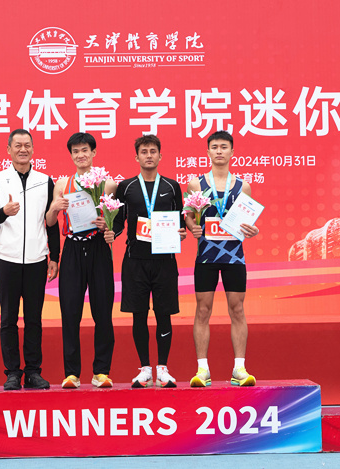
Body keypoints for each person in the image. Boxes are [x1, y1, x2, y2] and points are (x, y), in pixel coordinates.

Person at [105, 134, 186, 388]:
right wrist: (112, 232)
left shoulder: (172, 186)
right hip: (135, 261)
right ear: (136, 157)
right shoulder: (126, 187)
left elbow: (180, 221)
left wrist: (182, 232)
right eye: (144, 152)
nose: (149, 155)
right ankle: (145, 369)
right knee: (138, 315)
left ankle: (162, 368)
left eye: (153, 151)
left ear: (160, 156)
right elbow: (119, 221)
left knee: (164, 314)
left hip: (165, 261)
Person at [0, 129, 59, 391]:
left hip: (37, 260)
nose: (23, 149)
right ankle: (13, 373)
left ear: (33, 149)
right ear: (9, 150)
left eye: (27, 145)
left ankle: (33, 372)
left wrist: (54, 256)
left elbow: (51, 221)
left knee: (34, 319)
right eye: (17, 145)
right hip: (7, 259)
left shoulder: (45, 181)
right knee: (8, 319)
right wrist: (4, 211)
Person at [185, 130, 259, 387]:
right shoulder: (196, 184)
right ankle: (202, 369)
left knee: (237, 309)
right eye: (214, 147)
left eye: (224, 147)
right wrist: (191, 226)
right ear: (208, 152)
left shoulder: (243, 186)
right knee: (203, 309)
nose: (219, 151)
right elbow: (188, 215)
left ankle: (239, 368)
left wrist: (253, 229)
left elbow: (247, 221)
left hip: (234, 256)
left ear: (232, 152)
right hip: (206, 256)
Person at [46, 132, 117, 389]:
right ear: (71, 155)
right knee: (70, 312)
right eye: (76, 151)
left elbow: (116, 221)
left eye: (85, 150)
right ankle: (72, 374)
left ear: (93, 152)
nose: (81, 155)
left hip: (99, 250)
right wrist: (55, 207)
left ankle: (101, 372)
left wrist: (107, 225)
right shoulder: (62, 184)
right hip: (72, 250)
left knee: (103, 312)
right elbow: (50, 221)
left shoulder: (108, 184)